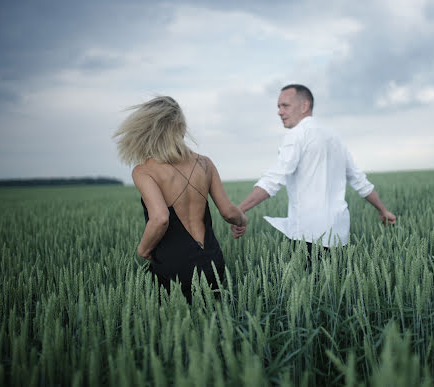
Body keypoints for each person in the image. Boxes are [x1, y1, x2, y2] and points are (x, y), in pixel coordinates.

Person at [231, 84, 395, 253]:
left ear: (304, 106)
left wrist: (237, 211)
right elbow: (359, 180)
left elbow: (273, 180)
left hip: (308, 236)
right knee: (334, 279)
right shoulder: (334, 137)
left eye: (285, 105)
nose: (280, 112)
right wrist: (383, 210)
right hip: (339, 235)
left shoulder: (296, 135)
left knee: (310, 278)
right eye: (279, 107)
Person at [114, 96, 247, 302]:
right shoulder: (205, 163)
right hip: (212, 260)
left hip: (173, 265)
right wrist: (242, 221)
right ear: (181, 128)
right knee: (215, 325)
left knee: (174, 329)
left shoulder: (144, 171)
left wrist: (143, 249)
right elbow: (229, 212)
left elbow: (160, 217)